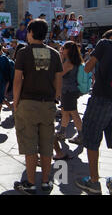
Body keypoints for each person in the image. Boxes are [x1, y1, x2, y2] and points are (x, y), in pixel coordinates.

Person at [13, 19, 63, 195]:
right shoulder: (54, 53)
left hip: (28, 103)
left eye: (28, 32)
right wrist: (54, 97)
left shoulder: (24, 53)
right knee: (47, 144)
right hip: (48, 104)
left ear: (31, 32)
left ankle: (31, 183)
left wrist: (15, 103)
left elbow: (18, 80)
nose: (26, 35)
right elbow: (59, 79)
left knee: (30, 145)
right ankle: (46, 182)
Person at [75, 29, 112, 195]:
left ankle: (94, 181)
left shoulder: (104, 44)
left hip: (102, 98)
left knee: (91, 138)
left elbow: (87, 68)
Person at [56, 41, 84, 145]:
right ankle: (62, 132)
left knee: (73, 113)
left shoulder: (68, 62)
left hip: (68, 91)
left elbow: (59, 73)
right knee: (65, 112)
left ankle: (81, 135)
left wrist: (60, 57)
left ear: (68, 50)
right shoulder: (74, 60)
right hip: (69, 90)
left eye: (63, 48)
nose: (62, 50)